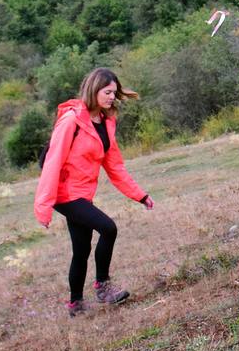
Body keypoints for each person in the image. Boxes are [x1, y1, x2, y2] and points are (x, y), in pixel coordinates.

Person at [34, 67, 155, 316]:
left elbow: (115, 166)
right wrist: (43, 207)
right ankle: (103, 286)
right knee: (108, 228)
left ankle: (75, 304)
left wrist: (140, 195)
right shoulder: (71, 121)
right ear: (93, 90)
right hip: (65, 194)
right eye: (107, 92)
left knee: (81, 249)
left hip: (82, 193)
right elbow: (53, 162)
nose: (112, 97)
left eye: (114, 92)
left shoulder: (106, 123)